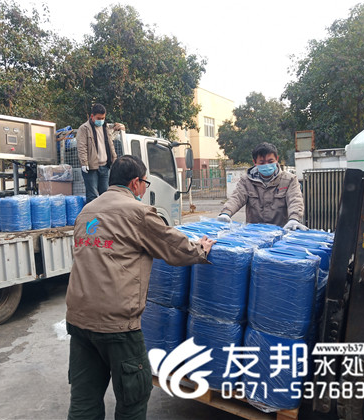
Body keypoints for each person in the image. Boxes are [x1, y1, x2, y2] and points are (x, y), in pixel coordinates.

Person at [65, 155, 215, 419]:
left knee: (84, 400)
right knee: (133, 397)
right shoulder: (138, 212)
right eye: (146, 182)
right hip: (118, 325)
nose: (145, 188)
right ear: (135, 182)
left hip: (78, 321)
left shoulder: (86, 211)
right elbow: (173, 247)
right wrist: (200, 249)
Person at [218, 142, 308, 230]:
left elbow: (295, 200)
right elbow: (236, 198)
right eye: (262, 163)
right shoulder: (246, 181)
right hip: (255, 233)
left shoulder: (289, 180)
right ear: (255, 162)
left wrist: (294, 219)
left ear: (277, 159)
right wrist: (226, 213)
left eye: (270, 161)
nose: (266, 165)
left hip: (281, 232)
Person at [76, 103, 125, 204]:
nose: (101, 120)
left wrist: (114, 159)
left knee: (106, 195)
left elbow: (111, 145)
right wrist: (84, 163)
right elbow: (82, 147)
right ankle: (93, 214)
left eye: (103, 118)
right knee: (92, 195)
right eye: (99, 118)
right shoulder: (84, 128)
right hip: (91, 167)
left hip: (105, 166)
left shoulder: (105, 127)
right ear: (92, 116)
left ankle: (105, 214)